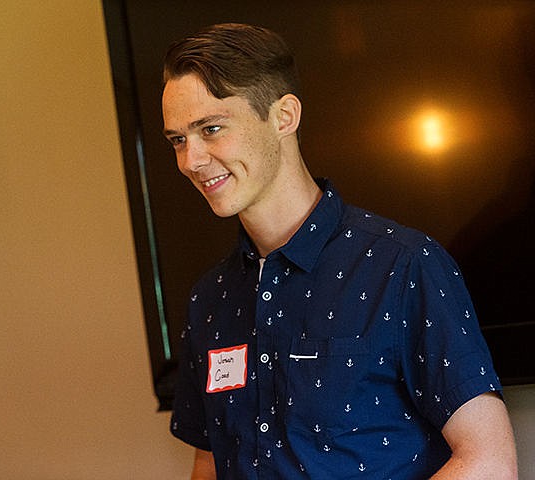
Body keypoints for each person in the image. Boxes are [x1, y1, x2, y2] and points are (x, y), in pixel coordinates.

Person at [161, 23, 518, 479]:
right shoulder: (210, 298)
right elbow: (208, 464)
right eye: (177, 140)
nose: (190, 161)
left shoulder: (403, 266)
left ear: (283, 117)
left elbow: (488, 461)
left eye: (210, 129)